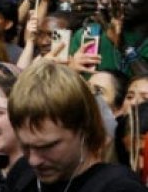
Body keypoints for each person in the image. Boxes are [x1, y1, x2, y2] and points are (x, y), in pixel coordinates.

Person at [8, 61, 144, 191]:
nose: (34, 160)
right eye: (26, 146)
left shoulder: (119, 187)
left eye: (47, 147)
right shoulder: (22, 173)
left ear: (84, 129)